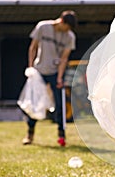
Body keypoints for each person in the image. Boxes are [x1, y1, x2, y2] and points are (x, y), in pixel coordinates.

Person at [22, 10, 78, 147]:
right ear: (62, 21)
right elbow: (33, 47)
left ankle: (61, 135)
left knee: (60, 104)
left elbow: (64, 58)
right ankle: (30, 134)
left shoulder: (69, 36)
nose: (67, 31)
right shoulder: (43, 27)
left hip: (55, 73)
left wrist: (59, 77)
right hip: (39, 71)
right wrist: (31, 68)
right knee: (34, 103)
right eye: (67, 27)